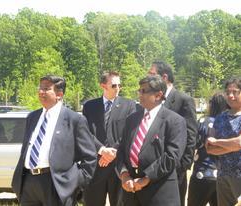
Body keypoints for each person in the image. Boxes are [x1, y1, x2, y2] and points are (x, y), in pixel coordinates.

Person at [11, 75, 97, 206]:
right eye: (40, 88)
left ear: (59, 94)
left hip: (56, 185)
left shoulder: (74, 119)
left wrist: (74, 183)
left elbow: (90, 157)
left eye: (46, 89)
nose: (41, 92)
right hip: (28, 182)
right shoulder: (32, 117)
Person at [116, 75, 187, 206]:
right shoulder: (132, 119)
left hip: (159, 193)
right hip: (130, 194)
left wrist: (146, 178)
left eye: (144, 91)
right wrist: (124, 174)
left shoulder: (174, 121)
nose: (139, 94)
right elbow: (121, 150)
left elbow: (172, 156)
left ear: (158, 95)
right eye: (139, 90)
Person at [82, 71, 136, 206]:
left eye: (119, 85)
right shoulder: (90, 106)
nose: (117, 88)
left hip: (118, 167)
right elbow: (85, 132)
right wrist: (102, 150)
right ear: (103, 86)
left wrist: (111, 153)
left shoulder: (129, 105)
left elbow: (129, 133)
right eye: (113, 85)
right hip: (95, 166)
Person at [148, 61, 198, 206]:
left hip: (174, 169)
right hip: (151, 169)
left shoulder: (183, 100)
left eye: (151, 74)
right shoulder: (152, 100)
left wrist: (182, 167)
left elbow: (191, 135)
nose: (148, 77)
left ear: (164, 77)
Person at [188, 92, 229, 206]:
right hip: (223, 176)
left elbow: (193, 143)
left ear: (212, 105)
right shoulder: (228, 124)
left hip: (202, 174)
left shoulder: (203, 121)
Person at [206, 77, 241, 206]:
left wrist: (216, 142)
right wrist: (231, 146)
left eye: (235, 92)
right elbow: (209, 148)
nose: (231, 96)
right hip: (222, 175)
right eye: (228, 92)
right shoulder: (220, 118)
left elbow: (239, 143)